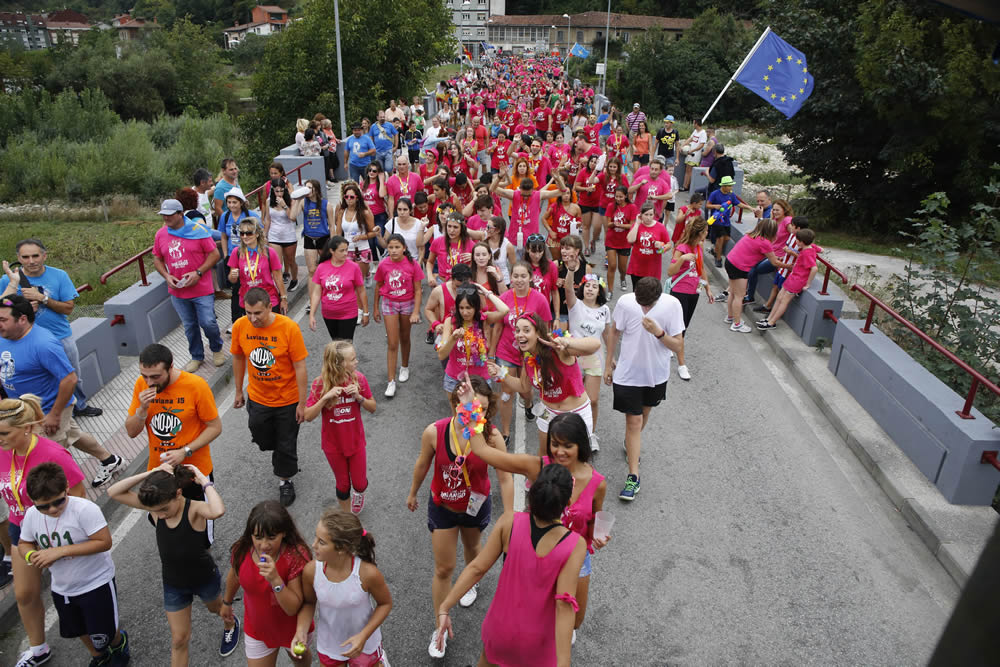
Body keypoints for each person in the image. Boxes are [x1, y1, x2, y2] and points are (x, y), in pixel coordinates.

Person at [434, 461, 585, 666]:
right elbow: (564, 605)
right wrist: (564, 661)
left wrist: (445, 606)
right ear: (567, 502)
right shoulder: (575, 545)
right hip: (538, 644)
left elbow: (477, 568)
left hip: (500, 631)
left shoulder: (509, 522)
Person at [406, 376, 513, 659]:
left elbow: (505, 478)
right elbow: (422, 464)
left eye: (479, 409)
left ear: (487, 411)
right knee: (443, 569)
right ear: (456, 403)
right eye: (467, 406)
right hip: (442, 507)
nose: (472, 413)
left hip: (475, 507)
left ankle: (472, 580)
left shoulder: (491, 438)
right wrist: (413, 492)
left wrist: (510, 515)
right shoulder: (434, 432)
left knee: (473, 551)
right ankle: (439, 628)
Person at [108, 463, 236, 665]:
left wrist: (204, 481)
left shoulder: (194, 508)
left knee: (218, 609)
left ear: (178, 493)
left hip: (204, 578)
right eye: (155, 511)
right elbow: (113, 491)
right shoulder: (157, 506)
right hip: (174, 584)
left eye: (164, 509)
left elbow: (218, 510)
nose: (160, 515)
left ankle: (230, 625)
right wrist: (151, 472)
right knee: (178, 639)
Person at [0, 295, 123, 486]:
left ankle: (69, 496)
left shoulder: (44, 344)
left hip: (47, 410)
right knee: (73, 435)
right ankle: (110, 460)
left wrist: (55, 415)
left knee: (49, 462)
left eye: (3, 320)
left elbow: (70, 378)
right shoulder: (6, 336)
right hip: (26, 410)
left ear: (22, 319)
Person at [0, 394, 86, 667]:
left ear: (25, 428)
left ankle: (106, 637)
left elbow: (80, 496)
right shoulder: (2, 452)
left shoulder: (52, 453)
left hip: (55, 533)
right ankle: (38, 650)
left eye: (4, 433)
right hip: (21, 533)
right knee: (24, 593)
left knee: (76, 593)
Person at [20, 463, 130, 666]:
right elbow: (24, 543)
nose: (52, 509)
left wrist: (60, 551)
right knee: (78, 628)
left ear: (67, 489)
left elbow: (104, 542)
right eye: (43, 506)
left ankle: (118, 643)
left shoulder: (85, 509)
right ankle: (99, 656)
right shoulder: (31, 516)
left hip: (96, 582)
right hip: (63, 588)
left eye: (58, 502)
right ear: (33, 501)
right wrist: (30, 557)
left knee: (105, 628)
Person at [0, 239, 102, 418]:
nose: (31, 261)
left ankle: (79, 406)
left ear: (44, 256)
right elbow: (4, 303)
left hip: (59, 335)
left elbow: (68, 308)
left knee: (72, 374)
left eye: (35, 256)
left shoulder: (59, 276)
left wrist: (43, 299)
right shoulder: (8, 281)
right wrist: (22, 306)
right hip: (22, 339)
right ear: (19, 258)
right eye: (25, 257)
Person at [604, 277, 685, 501]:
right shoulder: (625, 303)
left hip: (656, 375)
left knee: (645, 414)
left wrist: (658, 332)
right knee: (634, 421)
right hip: (628, 375)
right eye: (641, 304)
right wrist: (609, 362)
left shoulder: (672, 305)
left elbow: (678, 346)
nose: (644, 309)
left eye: (648, 305)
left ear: (658, 298)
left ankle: (631, 443)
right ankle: (633, 476)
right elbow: (614, 331)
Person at [232, 288, 309, 507]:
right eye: (248, 312)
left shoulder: (288, 328)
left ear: (269, 307)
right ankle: (280, 449)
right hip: (258, 398)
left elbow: (300, 367)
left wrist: (302, 403)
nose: (252, 318)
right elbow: (238, 358)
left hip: (287, 400)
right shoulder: (240, 326)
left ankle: (285, 480)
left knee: (285, 443)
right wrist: (238, 390)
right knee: (262, 437)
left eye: (258, 313)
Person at [488, 312, 600, 455]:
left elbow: (595, 345)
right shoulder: (528, 358)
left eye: (526, 330)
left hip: (576, 413)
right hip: (548, 413)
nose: (519, 334)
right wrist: (501, 374)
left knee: (577, 461)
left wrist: (567, 343)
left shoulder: (558, 349)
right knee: (545, 457)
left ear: (538, 333)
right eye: (517, 330)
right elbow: (523, 386)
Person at [294, 509, 392, 667]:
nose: (313, 545)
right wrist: (301, 630)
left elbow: (385, 604)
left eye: (322, 542)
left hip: (365, 646)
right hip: (330, 645)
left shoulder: (367, 573)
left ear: (341, 548)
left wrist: (363, 636)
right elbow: (308, 603)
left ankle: (380, 660)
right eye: (315, 537)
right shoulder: (311, 571)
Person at [126, 343, 221, 505]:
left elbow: (215, 427)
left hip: (193, 473)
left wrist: (185, 451)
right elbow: (131, 432)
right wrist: (142, 410)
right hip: (159, 472)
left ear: (171, 367)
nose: (149, 383)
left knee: (197, 524)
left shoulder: (196, 385)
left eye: (156, 377)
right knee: (163, 521)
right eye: (144, 376)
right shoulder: (141, 385)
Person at [222, 501, 314, 666]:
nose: (264, 545)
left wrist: (275, 580)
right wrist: (226, 602)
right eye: (258, 537)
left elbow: (292, 608)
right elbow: (235, 575)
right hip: (257, 628)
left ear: (284, 533)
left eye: (272, 537)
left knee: (300, 660)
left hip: (292, 629)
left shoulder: (295, 556)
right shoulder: (242, 550)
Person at [304, 341, 377, 514]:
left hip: (355, 442)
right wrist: (324, 398)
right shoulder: (320, 384)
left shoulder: (359, 379)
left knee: (359, 484)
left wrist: (359, 397)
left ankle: (359, 494)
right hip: (333, 446)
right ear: (339, 364)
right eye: (352, 359)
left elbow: (373, 407)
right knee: (343, 484)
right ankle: (347, 517)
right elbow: (307, 416)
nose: (356, 362)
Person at [153, 198, 225, 370]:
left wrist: (198, 272)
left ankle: (216, 348)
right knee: (189, 326)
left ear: (180, 214)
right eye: (163, 215)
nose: (166, 218)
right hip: (178, 291)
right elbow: (157, 258)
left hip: (201, 289)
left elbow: (214, 254)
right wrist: (166, 276)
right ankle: (197, 356)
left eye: (170, 215)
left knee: (208, 322)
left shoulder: (197, 231)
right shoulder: (161, 234)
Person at [436, 284, 509, 397]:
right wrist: (453, 338)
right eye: (461, 308)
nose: (464, 312)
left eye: (468, 308)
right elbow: (441, 355)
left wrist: (486, 292)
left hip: (481, 379)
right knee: (458, 415)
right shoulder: (450, 322)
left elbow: (505, 310)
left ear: (476, 307)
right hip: (455, 379)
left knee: (481, 414)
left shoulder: (484, 319)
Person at [373, 234, 423, 396]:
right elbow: (378, 286)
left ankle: (405, 366)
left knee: (404, 337)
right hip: (389, 303)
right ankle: (391, 381)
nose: (393, 251)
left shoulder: (412, 264)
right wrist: (375, 308)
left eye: (397, 247)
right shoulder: (383, 265)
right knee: (392, 343)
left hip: (407, 303)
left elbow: (417, 290)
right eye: (390, 247)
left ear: (404, 248)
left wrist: (416, 311)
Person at [666, 217, 714, 380]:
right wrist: (682, 259)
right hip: (680, 291)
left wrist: (707, 288)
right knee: (680, 330)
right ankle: (682, 365)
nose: (707, 234)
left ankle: (669, 344)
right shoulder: (681, 248)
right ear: (699, 233)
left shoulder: (699, 247)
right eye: (706, 231)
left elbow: (701, 269)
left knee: (683, 327)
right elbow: (670, 271)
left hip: (694, 292)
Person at [563, 272, 611, 435]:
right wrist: (570, 270)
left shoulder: (605, 310)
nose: (590, 289)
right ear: (582, 288)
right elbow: (568, 288)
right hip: (573, 356)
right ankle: (571, 431)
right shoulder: (575, 304)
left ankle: (590, 434)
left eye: (595, 286)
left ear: (600, 291)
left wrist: (610, 361)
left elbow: (607, 337)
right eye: (587, 286)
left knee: (593, 400)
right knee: (571, 398)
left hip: (593, 358)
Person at [723, 218, 787, 333]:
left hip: (730, 261)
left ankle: (730, 317)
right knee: (739, 296)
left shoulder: (751, 235)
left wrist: (778, 259)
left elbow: (771, 257)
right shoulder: (765, 243)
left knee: (733, 292)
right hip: (739, 267)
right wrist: (790, 266)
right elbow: (774, 263)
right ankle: (736, 324)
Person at [310, 236, 369, 342]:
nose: (346, 253)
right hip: (328, 314)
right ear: (332, 251)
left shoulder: (354, 267)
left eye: (346, 249)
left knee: (345, 345)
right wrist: (312, 315)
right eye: (342, 250)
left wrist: (365, 312)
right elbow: (316, 293)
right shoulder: (321, 267)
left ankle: (349, 359)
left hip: (348, 313)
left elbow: (361, 290)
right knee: (336, 344)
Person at [757, 229, 819, 331]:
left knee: (784, 301)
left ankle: (772, 322)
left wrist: (808, 284)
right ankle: (769, 319)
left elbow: (814, 268)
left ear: (802, 242)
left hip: (797, 280)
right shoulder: (809, 248)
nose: (796, 242)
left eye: (797, 240)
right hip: (793, 277)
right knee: (779, 297)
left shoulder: (807, 253)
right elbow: (818, 248)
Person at [290, 179, 336, 312]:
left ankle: (330, 296)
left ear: (316, 189)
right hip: (309, 238)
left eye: (310, 188)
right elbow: (293, 216)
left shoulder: (326, 205)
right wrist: (298, 199)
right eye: (306, 187)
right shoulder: (304, 203)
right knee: (311, 271)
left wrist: (332, 243)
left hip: (323, 238)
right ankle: (312, 301)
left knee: (327, 269)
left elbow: (332, 225)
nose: (308, 190)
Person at [228, 218, 288, 319]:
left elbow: (278, 277)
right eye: (242, 233)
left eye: (249, 233)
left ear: (257, 234)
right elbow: (232, 279)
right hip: (248, 302)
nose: (245, 236)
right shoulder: (237, 252)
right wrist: (232, 276)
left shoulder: (269, 252)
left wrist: (283, 298)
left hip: (268, 299)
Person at [755, 216, 810, 315]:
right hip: (783, 267)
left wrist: (792, 253)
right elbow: (787, 248)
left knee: (782, 294)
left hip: (790, 270)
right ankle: (767, 306)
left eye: (792, 226)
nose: (790, 227)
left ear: (798, 228)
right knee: (775, 286)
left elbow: (805, 259)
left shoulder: (803, 241)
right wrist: (783, 257)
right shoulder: (792, 236)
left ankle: (776, 313)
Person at [744, 198, 790, 305]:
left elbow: (795, 231)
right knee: (750, 266)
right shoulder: (773, 221)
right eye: (773, 210)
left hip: (778, 256)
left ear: (784, 210)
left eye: (777, 210)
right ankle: (747, 294)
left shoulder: (787, 220)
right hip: (768, 252)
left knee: (755, 270)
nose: (775, 212)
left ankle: (750, 296)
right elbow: (762, 230)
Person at [706, 175, 755, 267]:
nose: (731, 187)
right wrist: (715, 206)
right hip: (717, 220)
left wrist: (749, 207)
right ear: (723, 186)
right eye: (729, 186)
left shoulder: (731, 195)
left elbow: (738, 204)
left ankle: (715, 250)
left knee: (727, 238)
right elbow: (707, 205)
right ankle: (718, 258)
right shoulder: (715, 194)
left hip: (726, 221)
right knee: (720, 238)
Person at [336, 181, 377, 287]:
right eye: (346, 196)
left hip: (361, 250)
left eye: (352, 197)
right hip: (346, 250)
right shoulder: (341, 212)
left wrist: (361, 237)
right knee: (348, 280)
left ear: (357, 198)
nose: (349, 199)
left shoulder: (364, 212)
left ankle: (361, 303)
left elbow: (374, 232)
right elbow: (338, 233)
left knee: (358, 282)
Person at [264, 179, 300, 292]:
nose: (279, 193)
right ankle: (279, 289)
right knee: (276, 263)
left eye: (281, 191)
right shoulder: (268, 201)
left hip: (288, 235)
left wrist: (285, 206)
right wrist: (265, 235)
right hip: (274, 236)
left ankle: (294, 279)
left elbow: (293, 218)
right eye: (276, 191)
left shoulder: (291, 201)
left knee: (290, 260)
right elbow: (268, 220)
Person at [625, 202, 671, 288]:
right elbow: (630, 240)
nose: (649, 218)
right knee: (637, 294)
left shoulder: (660, 227)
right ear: (641, 215)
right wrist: (637, 224)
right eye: (646, 214)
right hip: (637, 268)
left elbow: (669, 244)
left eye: (651, 214)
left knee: (650, 295)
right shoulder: (637, 225)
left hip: (652, 269)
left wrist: (662, 246)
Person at [680, 119, 707, 191]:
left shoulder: (703, 133)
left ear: (696, 124)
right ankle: (685, 186)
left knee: (690, 170)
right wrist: (683, 145)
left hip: (695, 155)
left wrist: (692, 150)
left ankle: (686, 186)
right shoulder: (695, 131)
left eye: (693, 123)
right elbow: (690, 139)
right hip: (690, 153)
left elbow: (701, 145)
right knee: (687, 170)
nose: (693, 124)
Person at [212, 158, 240, 222]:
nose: (235, 171)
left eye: (235, 169)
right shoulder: (220, 187)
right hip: (229, 223)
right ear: (223, 171)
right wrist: (229, 220)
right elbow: (218, 208)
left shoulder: (235, 182)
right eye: (231, 170)